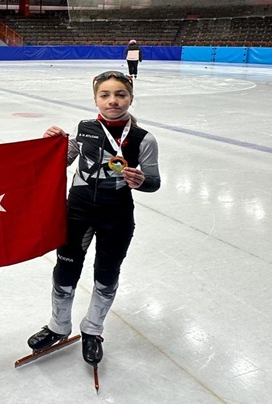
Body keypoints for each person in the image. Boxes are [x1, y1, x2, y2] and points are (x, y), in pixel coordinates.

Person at [27, 71, 160, 368]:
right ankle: (59, 326)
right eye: (105, 95)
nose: (113, 101)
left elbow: (154, 181)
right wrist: (53, 144)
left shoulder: (143, 138)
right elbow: (60, 161)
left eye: (120, 95)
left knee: (107, 273)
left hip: (117, 215)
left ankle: (93, 330)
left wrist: (141, 181)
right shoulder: (84, 128)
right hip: (77, 212)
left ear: (131, 98)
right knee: (66, 269)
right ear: (96, 98)